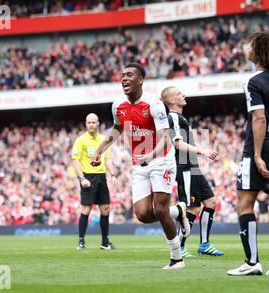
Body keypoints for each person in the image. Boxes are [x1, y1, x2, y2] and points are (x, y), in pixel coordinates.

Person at [91, 62, 190, 270]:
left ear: (140, 80)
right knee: (143, 214)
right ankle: (179, 212)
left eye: (129, 75)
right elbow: (117, 129)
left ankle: (177, 258)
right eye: (122, 75)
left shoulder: (154, 104)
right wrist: (100, 150)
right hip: (140, 162)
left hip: (161, 158)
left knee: (160, 208)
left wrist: (151, 155)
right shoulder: (118, 105)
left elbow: (165, 137)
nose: (124, 78)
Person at [227, 31, 269, 276]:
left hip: (258, 149)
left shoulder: (254, 81)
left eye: (251, 44)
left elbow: (259, 118)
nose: (248, 47)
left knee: (245, 204)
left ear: (259, 50)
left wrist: (257, 155)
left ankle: (252, 262)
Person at [161, 86, 224, 257]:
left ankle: (204, 244)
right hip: (184, 168)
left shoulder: (180, 117)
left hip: (192, 167)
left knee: (211, 202)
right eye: (179, 93)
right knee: (192, 208)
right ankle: (179, 247)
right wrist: (202, 151)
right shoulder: (173, 117)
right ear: (172, 100)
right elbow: (178, 144)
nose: (184, 94)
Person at [71, 113, 118, 250]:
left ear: (98, 123)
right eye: (89, 122)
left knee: (105, 209)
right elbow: (75, 160)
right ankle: (81, 241)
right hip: (88, 177)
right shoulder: (80, 140)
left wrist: (113, 175)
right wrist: (82, 178)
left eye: (93, 122)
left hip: (101, 177)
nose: (91, 124)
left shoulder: (104, 140)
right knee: (86, 209)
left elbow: (107, 159)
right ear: (86, 124)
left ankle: (105, 242)